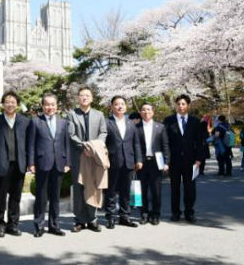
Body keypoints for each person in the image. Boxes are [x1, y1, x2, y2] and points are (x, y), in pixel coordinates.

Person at [0, 91, 30, 238]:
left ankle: (13, 225)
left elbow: (29, 144)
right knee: (0, 196)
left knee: (16, 197)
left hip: (19, 164)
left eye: (13, 102)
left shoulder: (25, 121)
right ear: (3, 104)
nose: (10, 104)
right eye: (7, 101)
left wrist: (30, 163)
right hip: (1, 164)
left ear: (17, 104)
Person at [28, 93, 71, 237]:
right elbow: (31, 144)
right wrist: (31, 162)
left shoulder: (63, 122)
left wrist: (68, 162)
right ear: (42, 106)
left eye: (52, 104)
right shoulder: (35, 121)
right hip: (42, 163)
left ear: (57, 106)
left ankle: (54, 226)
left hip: (59, 163)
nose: (50, 107)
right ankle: (39, 226)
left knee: (55, 197)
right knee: (41, 196)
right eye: (47, 104)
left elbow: (67, 144)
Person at [67, 86, 107, 233]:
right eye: (82, 95)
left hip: (95, 156)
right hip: (79, 155)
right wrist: (84, 146)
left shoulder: (99, 114)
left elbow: (103, 132)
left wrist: (94, 147)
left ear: (92, 98)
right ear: (78, 98)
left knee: (94, 187)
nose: (84, 97)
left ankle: (92, 219)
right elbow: (71, 134)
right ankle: (79, 220)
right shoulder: (71, 114)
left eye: (87, 95)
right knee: (79, 188)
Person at [163, 94, 203, 223]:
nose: (181, 106)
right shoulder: (168, 121)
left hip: (191, 161)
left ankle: (189, 212)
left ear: (188, 106)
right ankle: (175, 213)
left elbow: (200, 142)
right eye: (178, 104)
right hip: (174, 161)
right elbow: (165, 142)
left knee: (190, 188)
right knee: (174, 188)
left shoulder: (195, 121)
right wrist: (166, 160)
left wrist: (199, 159)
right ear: (176, 106)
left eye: (183, 104)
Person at [104, 96, 142, 229]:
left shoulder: (131, 122)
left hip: (129, 161)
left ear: (125, 107)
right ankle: (110, 216)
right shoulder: (106, 122)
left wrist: (139, 159)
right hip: (112, 161)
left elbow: (136, 143)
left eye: (122, 104)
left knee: (126, 191)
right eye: (116, 104)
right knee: (111, 190)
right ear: (112, 107)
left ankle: (125, 216)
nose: (120, 106)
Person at [136, 103, 170, 225]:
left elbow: (165, 145)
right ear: (140, 112)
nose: (146, 112)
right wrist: (137, 160)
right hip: (142, 163)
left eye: (148, 109)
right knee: (142, 191)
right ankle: (144, 214)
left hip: (157, 162)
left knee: (156, 190)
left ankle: (156, 214)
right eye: (143, 110)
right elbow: (136, 146)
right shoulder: (136, 127)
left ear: (153, 112)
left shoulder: (160, 127)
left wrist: (166, 162)